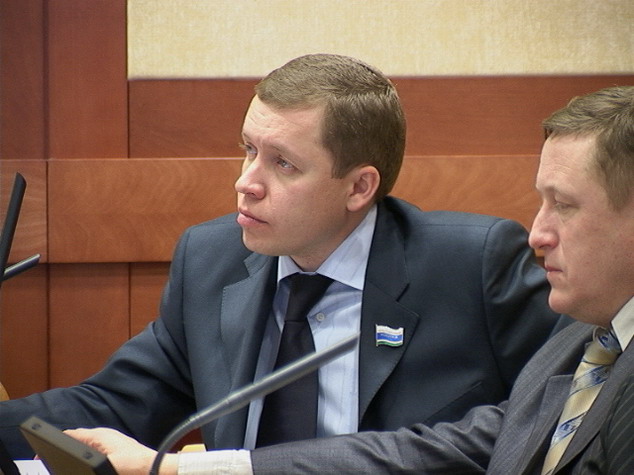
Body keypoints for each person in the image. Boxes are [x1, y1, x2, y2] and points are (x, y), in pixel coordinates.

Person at [0, 54, 559, 471]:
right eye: (249, 149)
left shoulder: (471, 266)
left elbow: (548, 416)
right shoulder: (211, 260)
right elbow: (115, 404)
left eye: (283, 164)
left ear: (358, 187)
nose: (246, 182)